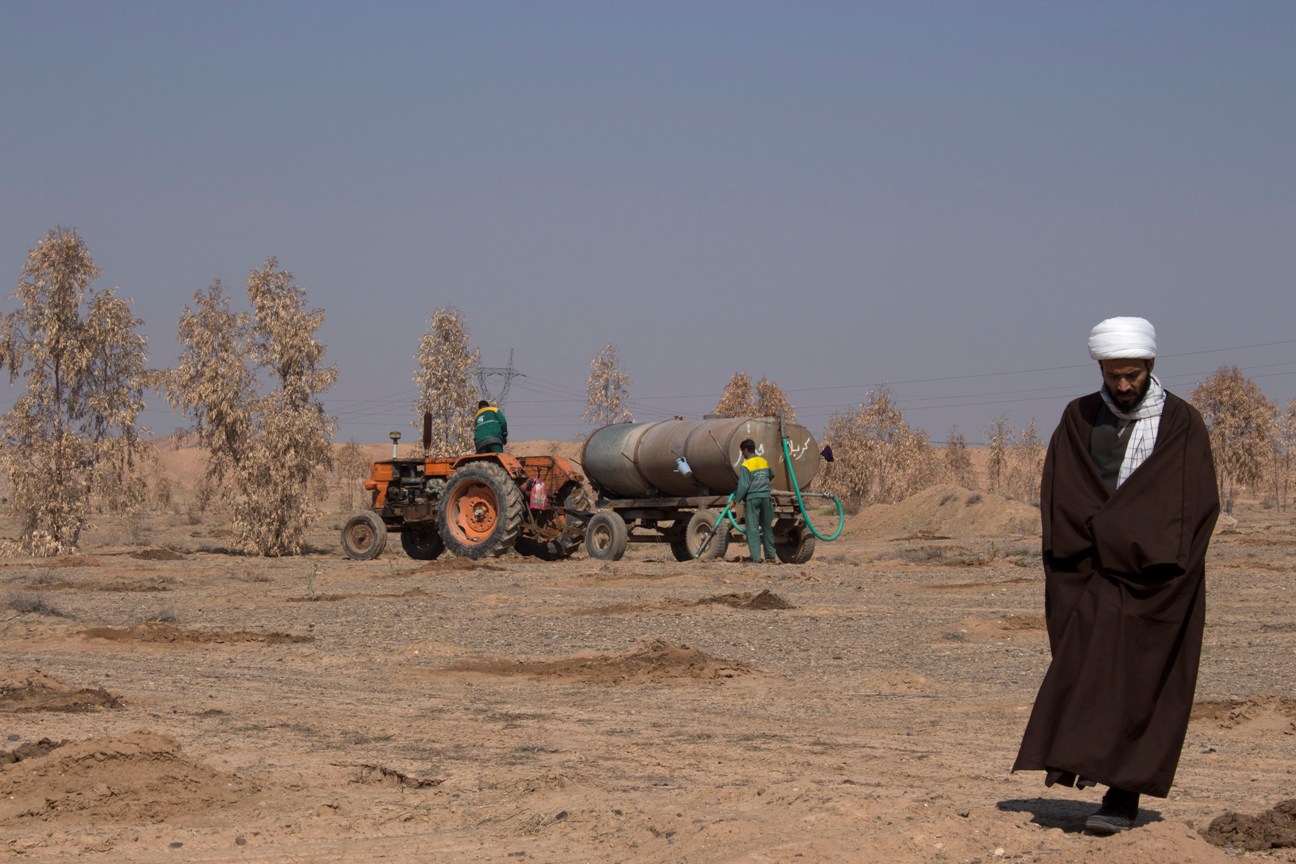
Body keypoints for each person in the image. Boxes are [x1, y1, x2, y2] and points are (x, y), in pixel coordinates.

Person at [1013, 316, 1220, 836]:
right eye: (1113, 376)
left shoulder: (1182, 422)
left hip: (1155, 578)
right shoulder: (1078, 416)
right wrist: (1098, 536)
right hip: (1087, 574)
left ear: (1150, 366)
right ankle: (1084, 769)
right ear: (1100, 369)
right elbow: (1064, 493)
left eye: (1132, 375)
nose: (1123, 386)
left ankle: (1122, 796)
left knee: (1141, 682)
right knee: (1085, 672)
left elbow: (1189, 505)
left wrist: (1123, 533)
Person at [733, 438, 778, 564]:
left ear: (746, 450)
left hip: (753, 498)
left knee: (752, 528)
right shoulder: (764, 461)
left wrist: (736, 500)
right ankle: (771, 557)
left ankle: (756, 558)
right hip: (766, 498)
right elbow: (772, 474)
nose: (742, 454)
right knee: (767, 527)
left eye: (742, 451)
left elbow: (743, 486)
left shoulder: (746, 465)